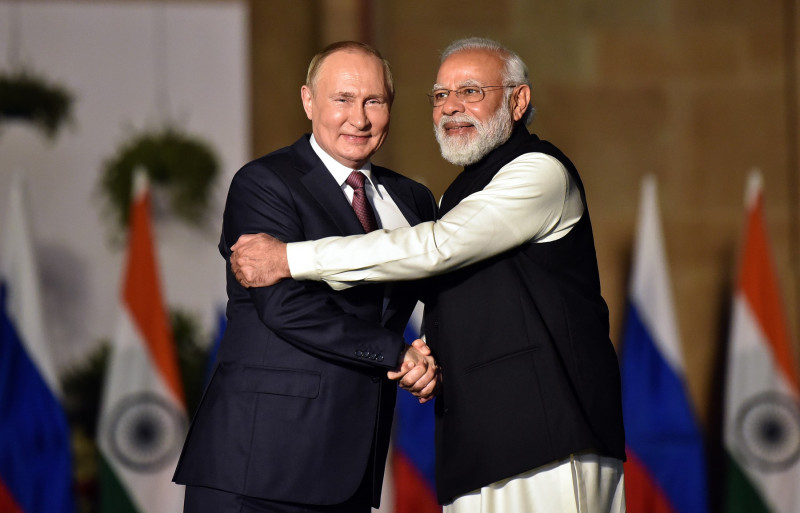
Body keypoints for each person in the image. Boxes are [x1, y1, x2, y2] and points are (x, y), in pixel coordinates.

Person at [230, 37, 627, 512]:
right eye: (440, 95)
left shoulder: (539, 173)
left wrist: (290, 258)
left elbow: (437, 249)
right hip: (475, 441)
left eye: (472, 91)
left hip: (549, 440)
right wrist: (413, 352)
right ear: (308, 101)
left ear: (518, 101)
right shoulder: (451, 194)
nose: (452, 107)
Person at [172, 41, 439, 513]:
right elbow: (286, 307)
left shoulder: (412, 198)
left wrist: (432, 352)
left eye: (373, 101)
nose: (359, 118)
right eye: (342, 99)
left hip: (351, 465)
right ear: (308, 101)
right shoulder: (264, 183)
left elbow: (437, 290)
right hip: (259, 465)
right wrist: (395, 352)